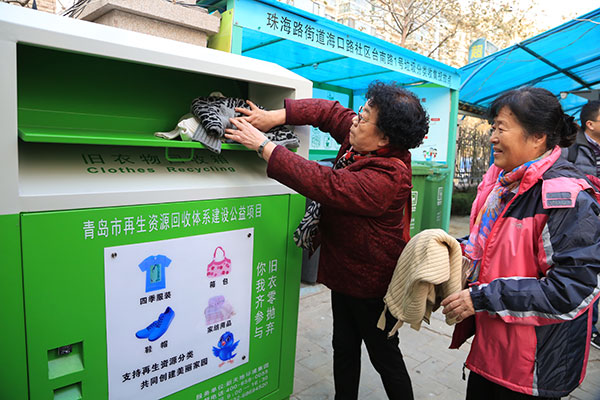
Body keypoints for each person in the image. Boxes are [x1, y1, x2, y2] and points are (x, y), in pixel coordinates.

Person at [224, 81, 429, 400]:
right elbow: (328, 112)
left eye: (364, 118)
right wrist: (276, 116)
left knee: (384, 356)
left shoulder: (388, 176)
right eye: (362, 112)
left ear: (385, 137)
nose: (356, 120)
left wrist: (263, 145)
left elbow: (327, 184)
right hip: (344, 272)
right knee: (343, 346)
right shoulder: (361, 141)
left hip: (373, 285)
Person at [441, 87, 600, 399]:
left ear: (537, 137)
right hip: (492, 352)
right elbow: (490, 246)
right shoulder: (508, 185)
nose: (492, 137)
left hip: (532, 370)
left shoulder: (565, 197)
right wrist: (451, 251)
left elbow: (573, 290)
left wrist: (482, 298)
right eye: (492, 128)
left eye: (501, 128)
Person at [561, 100, 600, 350]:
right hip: (578, 227)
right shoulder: (571, 148)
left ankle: (590, 328)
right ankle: (582, 326)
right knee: (582, 272)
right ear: (591, 124)